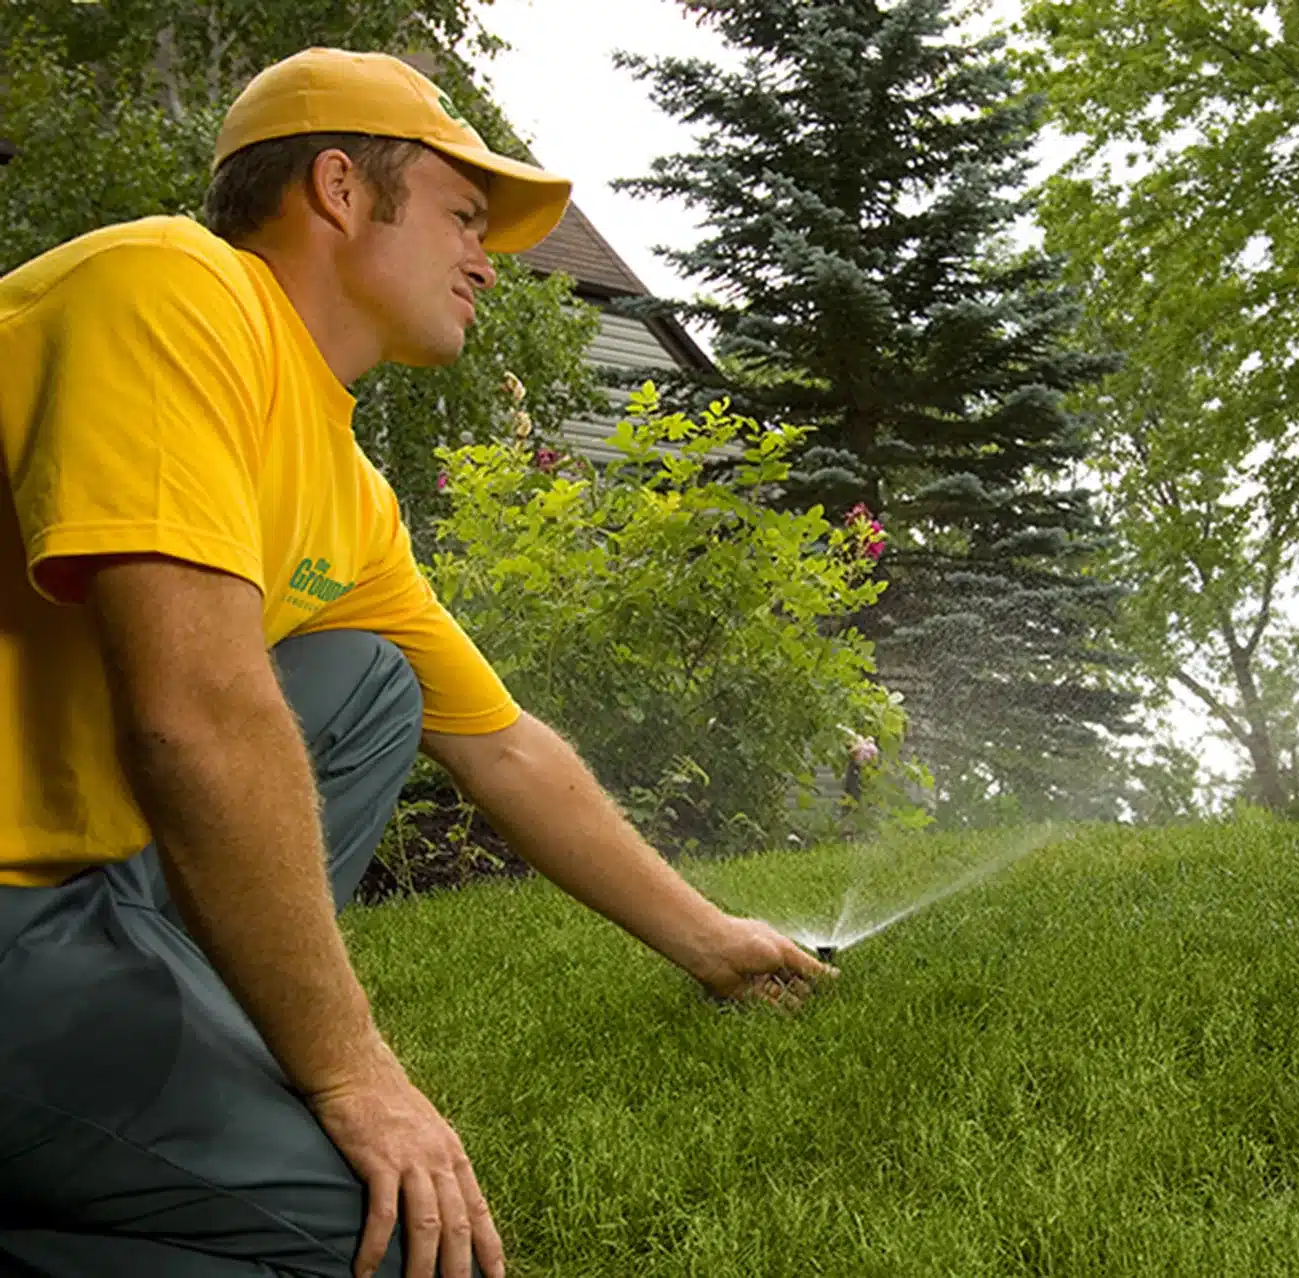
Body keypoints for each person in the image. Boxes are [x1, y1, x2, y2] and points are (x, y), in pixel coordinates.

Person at [0, 46, 841, 1278]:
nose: (486, 258)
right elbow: (195, 712)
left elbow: (501, 747)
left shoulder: (345, 487)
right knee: (389, 1252)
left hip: (84, 898)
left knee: (370, 682)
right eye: (461, 214)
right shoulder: (169, 288)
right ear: (340, 190)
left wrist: (714, 939)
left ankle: (180, 1038)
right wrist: (353, 1075)